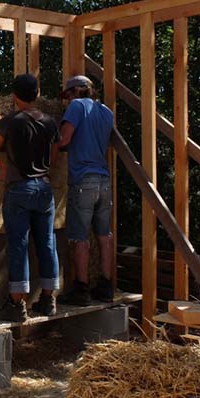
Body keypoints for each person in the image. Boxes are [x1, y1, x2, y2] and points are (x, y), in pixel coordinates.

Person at [0, 73, 61, 322]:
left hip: (19, 189)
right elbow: (53, 158)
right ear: (37, 94)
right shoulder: (49, 122)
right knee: (47, 243)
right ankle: (48, 299)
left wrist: (0, 133)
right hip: (44, 189)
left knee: (19, 244)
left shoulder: (9, 123)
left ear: (14, 96)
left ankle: (17, 305)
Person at [59, 75, 115, 305]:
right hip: (104, 180)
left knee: (79, 237)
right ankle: (106, 286)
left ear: (75, 92)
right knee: (104, 236)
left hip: (83, 180)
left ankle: (81, 289)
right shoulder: (106, 112)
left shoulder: (76, 106)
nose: (67, 100)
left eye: (68, 95)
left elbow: (64, 140)